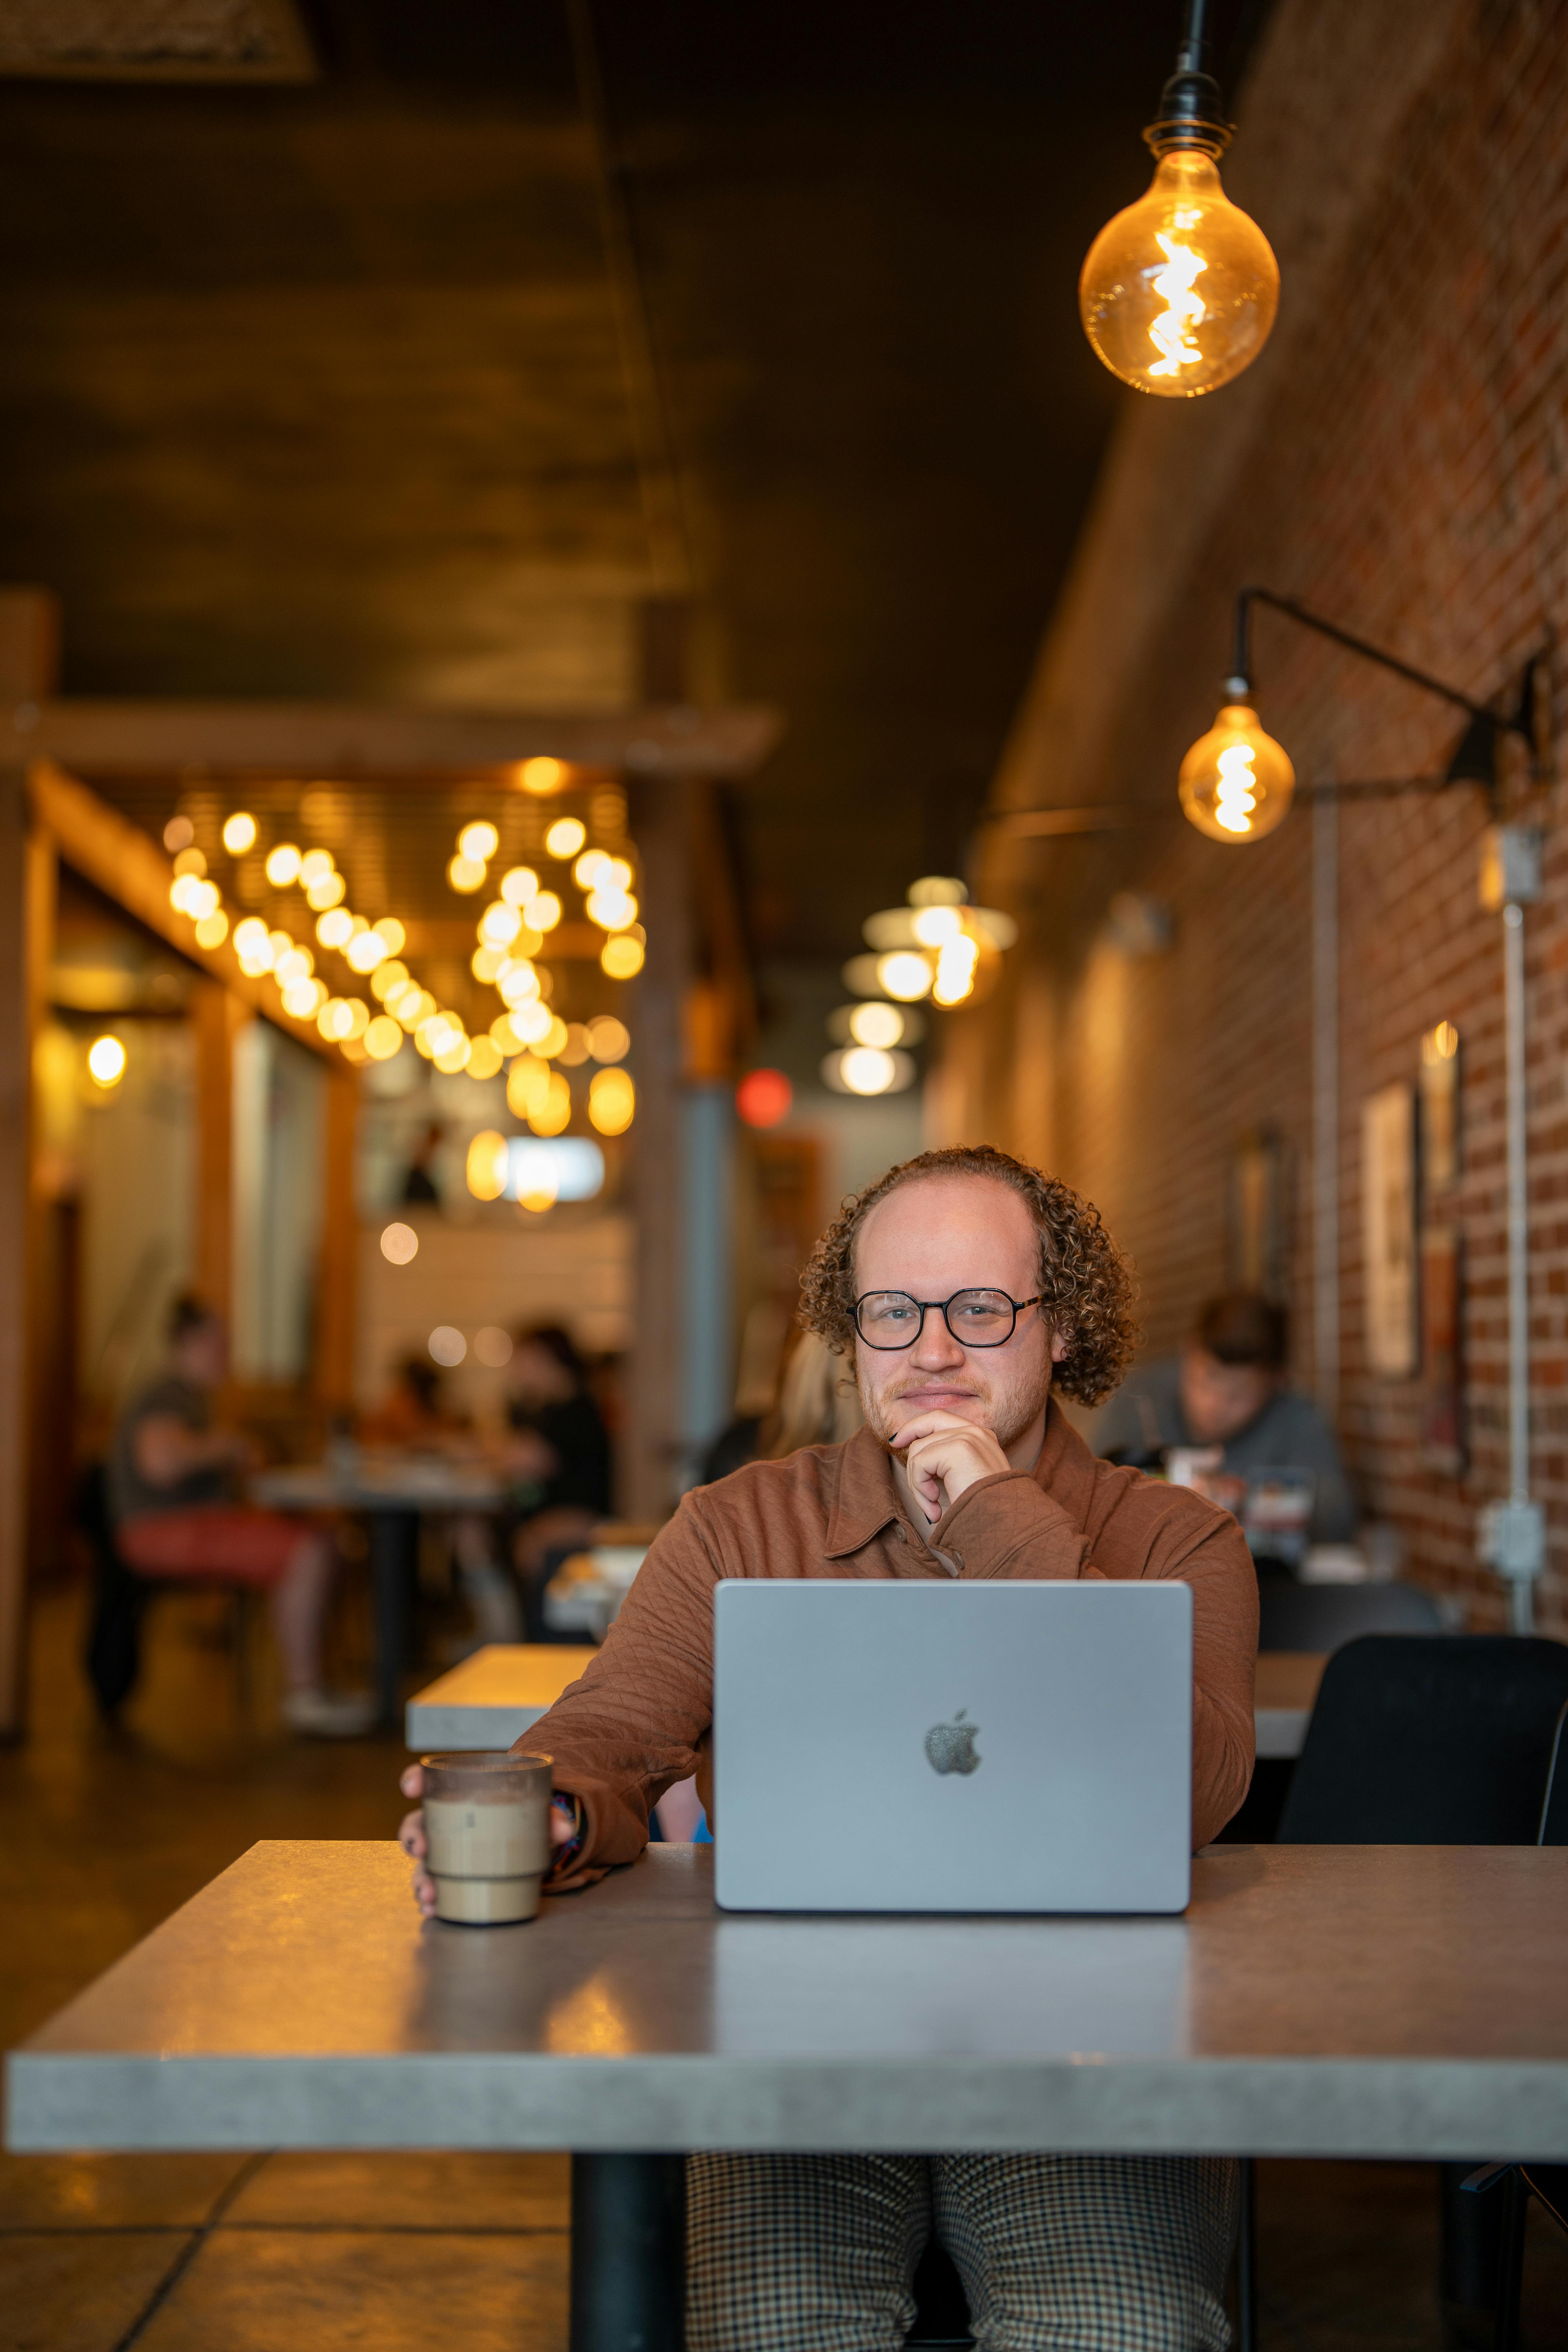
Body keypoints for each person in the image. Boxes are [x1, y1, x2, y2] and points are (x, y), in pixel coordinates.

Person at [400, 1144, 1256, 2351]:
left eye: (980, 1308)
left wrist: (1003, 1515)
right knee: (767, 2320)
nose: (932, 1349)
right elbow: (614, 1720)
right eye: (893, 1310)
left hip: (1083, 2046)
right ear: (849, 1332)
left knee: (1125, 2325)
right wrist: (556, 1806)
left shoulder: (1175, 1534)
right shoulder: (739, 1519)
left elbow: (1201, 1787)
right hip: (788, 2041)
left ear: (1059, 1326)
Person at [110, 1294, 373, 1735]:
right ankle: (305, 1692)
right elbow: (159, 1462)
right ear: (189, 1341)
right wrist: (228, 1445)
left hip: (184, 1525)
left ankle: (319, 1683)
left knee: (323, 1540)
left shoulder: (192, 1397)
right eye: (219, 1342)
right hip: (160, 1530)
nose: (227, 1353)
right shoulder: (166, 1393)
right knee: (306, 1548)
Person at [1090, 1291, 1357, 1551]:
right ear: (1189, 1351)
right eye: (1206, 1380)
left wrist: (1244, 1500)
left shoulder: (1296, 1418)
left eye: (1239, 1397)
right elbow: (1092, 1499)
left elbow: (1337, 1523)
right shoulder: (1140, 1400)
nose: (1214, 1404)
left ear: (1275, 1382)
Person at [501, 1324, 614, 1628]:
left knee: (523, 1542)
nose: (516, 1371)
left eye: (522, 1360)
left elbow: (525, 1459)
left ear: (547, 1359)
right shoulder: (550, 1408)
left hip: (583, 1518)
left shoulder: (574, 1409)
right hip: (564, 1514)